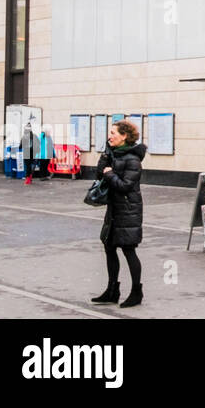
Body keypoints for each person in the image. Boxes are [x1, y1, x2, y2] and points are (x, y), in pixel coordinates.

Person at [91, 119, 146, 308]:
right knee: (109, 247)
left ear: (124, 136)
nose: (110, 136)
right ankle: (112, 290)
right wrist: (106, 156)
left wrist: (110, 175)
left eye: (113, 133)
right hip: (114, 209)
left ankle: (136, 292)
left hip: (128, 210)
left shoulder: (133, 160)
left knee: (129, 249)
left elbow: (126, 186)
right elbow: (99, 173)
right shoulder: (113, 154)